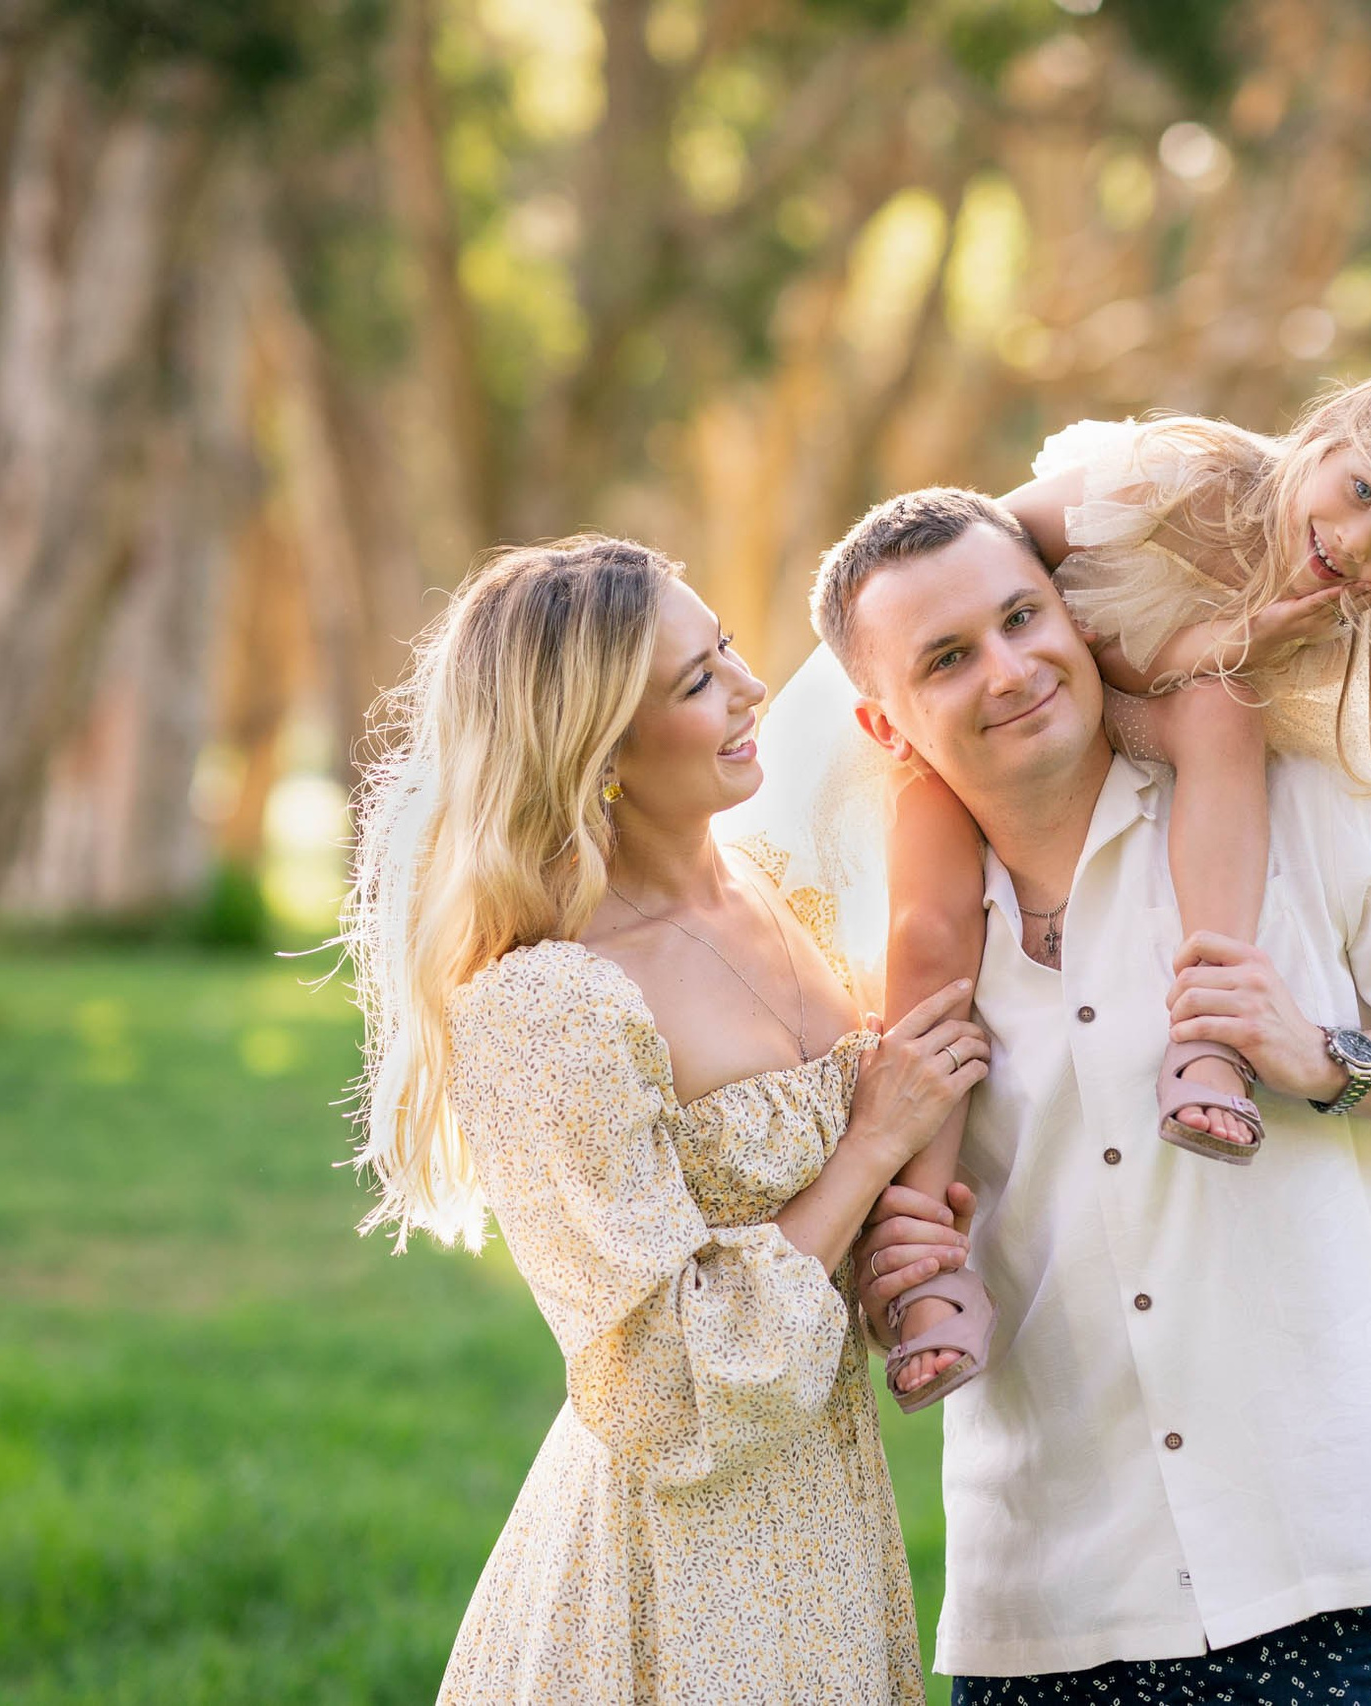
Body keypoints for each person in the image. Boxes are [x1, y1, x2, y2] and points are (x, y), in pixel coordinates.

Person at [796, 489, 1371, 1701]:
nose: (1012, 669)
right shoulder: (878, 942)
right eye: (949, 657)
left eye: (1025, 616)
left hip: (1327, 1567)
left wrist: (1329, 1057)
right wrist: (895, 1259)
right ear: (885, 718)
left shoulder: (1307, 801)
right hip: (1049, 1603)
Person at [342, 535, 987, 1704]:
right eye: (696, 683)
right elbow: (658, 1385)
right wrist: (873, 1142)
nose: (750, 689)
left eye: (726, 646)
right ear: (600, 751)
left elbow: (994, 546)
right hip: (674, 1570)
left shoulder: (779, 878)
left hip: (827, 1522)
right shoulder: (551, 1002)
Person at [876, 360, 1371, 1409]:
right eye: (1362, 494)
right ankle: (923, 1262)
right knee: (930, 940)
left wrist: (1239, 650)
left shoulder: (1338, 625)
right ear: (1326, 439)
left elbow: (1197, 687)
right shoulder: (1185, 482)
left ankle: (1208, 1028)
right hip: (1009, 712)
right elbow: (974, 573)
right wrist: (1216, 641)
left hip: (1136, 715)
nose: (1356, 546)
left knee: (1225, 711)